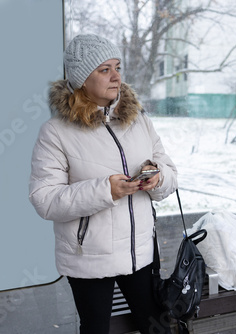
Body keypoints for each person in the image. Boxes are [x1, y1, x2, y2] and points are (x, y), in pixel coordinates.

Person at [28, 34, 177, 334]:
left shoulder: (139, 121)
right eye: (104, 69)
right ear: (82, 79)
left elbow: (171, 173)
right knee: (95, 329)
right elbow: (44, 199)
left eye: (117, 67)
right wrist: (105, 191)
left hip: (140, 252)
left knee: (158, 326)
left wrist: (158, 177)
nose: (116, 76)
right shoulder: (55, 132)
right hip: (89, 258)